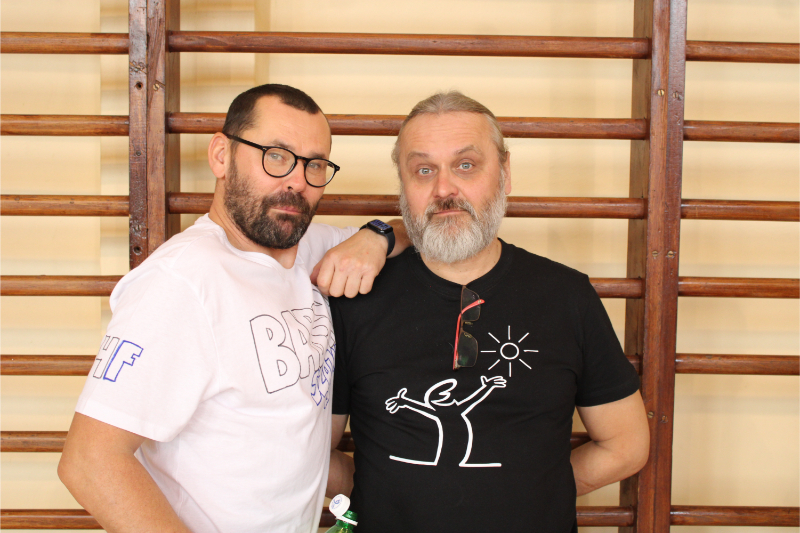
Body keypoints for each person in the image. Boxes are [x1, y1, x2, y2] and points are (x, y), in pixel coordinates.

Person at [58, 83, 408, 533]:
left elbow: (409, 232)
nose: (297, 181)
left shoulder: (314, 248)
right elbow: (90, 461)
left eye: (315, 164)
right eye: (276, 156)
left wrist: (378, 235)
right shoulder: (182, 282)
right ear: (222, 156)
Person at [328, 91, 650, 532]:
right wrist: (383, 492)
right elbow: (314, 454)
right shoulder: (355, 301)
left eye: (466, 165)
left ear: (505, 173)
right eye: (423, 170)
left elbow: (626, 446)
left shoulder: (567, 297)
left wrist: (528, 492)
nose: (444, 189)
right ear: (403, 184)